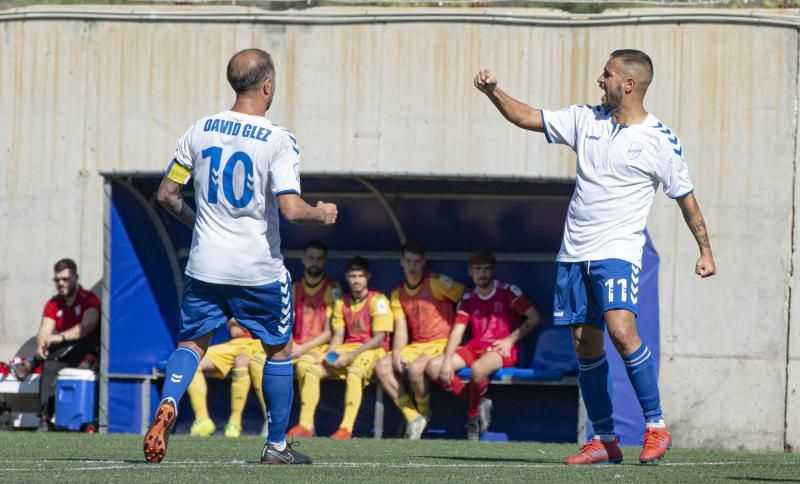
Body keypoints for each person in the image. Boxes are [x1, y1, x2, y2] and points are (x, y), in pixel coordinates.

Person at [474, 49, 716, 464]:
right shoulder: (586, 119)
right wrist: (494, 93)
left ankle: (655, 428)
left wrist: (705, 250)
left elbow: (686, 199)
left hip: (619, 252)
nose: (598, 80)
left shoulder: (659, 139)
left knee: (622, 332)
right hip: (574, 254)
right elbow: (529, 117)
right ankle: (604, 439)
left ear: (628, 84)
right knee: (586, 348)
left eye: (606, 75)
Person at [145, 48, 337, 465]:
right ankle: (276, 446)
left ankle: (170, 403)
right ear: (267, 85)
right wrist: (320, 214)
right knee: (279, 349)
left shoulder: (199, 130)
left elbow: (166, 194)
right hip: (257, 269)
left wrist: (198, 222)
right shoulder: (278, 139)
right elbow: (290, 208)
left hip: (205, 264)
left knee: (193, 342)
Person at [426, 251, 541, 441]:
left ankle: (472, 418)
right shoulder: (468, 298)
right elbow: (457, 331)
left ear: (493, 270)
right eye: (478, 269)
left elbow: (534, 316)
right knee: (433, 368)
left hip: (502, 349)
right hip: (476, 347)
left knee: (478, 370)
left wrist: (510, 340)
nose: (483, 274)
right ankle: (480, 402)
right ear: (470, 272)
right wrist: (447, 359)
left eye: (486, 269)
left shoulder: (507, 291)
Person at [374, 241, 465, 440]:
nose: (413, 266)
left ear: (423, 262)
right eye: (409, 261)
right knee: (382, 366)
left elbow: (467, 298)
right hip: (417, 345)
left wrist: (462, 332)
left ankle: (424, 412)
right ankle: (413, 416)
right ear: (402, 263)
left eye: (417, 261)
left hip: (442, 342)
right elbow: (401, 330)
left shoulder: (437, 282)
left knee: (416, 369)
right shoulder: (397, 294)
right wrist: (397, 353)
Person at [295, 256, 392, 440]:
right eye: (352, 276)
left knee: (355, 372)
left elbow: (379, 338)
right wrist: (331, 355)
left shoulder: (378, 299)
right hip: (347, 350)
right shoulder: (341, 302)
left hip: (371, 351)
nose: (356, 280)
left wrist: (351, 355)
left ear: (368, 277)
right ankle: (306, 425)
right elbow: (338, 335)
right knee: (311, 369)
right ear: (347, 277)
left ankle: (346, 429)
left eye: (360, 276)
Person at [35, 258, 101, 431]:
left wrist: (61, 337)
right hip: (63, 353)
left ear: (75, 278)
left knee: (69, 349)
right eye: (57, 280)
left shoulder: (89, 299)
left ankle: (88, 421)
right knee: (49, 366)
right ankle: (45, 418)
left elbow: (88, 326)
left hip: (87, 350)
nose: (61, 284)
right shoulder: (53, 303)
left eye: (65, 279)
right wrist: (41, 344)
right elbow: (44, 330)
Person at [286, 240, 342, 438]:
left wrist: (302, 348)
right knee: (262, 364)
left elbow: (330, 331)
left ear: (324, 261)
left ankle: (306, 424)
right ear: (303, 259)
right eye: (311, 258)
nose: (314, 262)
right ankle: (270, 422)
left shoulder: (332, 288)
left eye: (319, 259)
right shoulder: (295, 287)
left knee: (304, 366)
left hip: (318, 348)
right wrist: (291, 345)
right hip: (296, 346)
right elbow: (287, 322)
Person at [186, 320, 267, 438]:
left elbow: (261, 321)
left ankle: (235, 422)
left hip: (258, 343)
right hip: (233, 344)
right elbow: (233, 320)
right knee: (192, 362)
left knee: (241, 362)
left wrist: (239, 320)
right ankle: (202, 420)